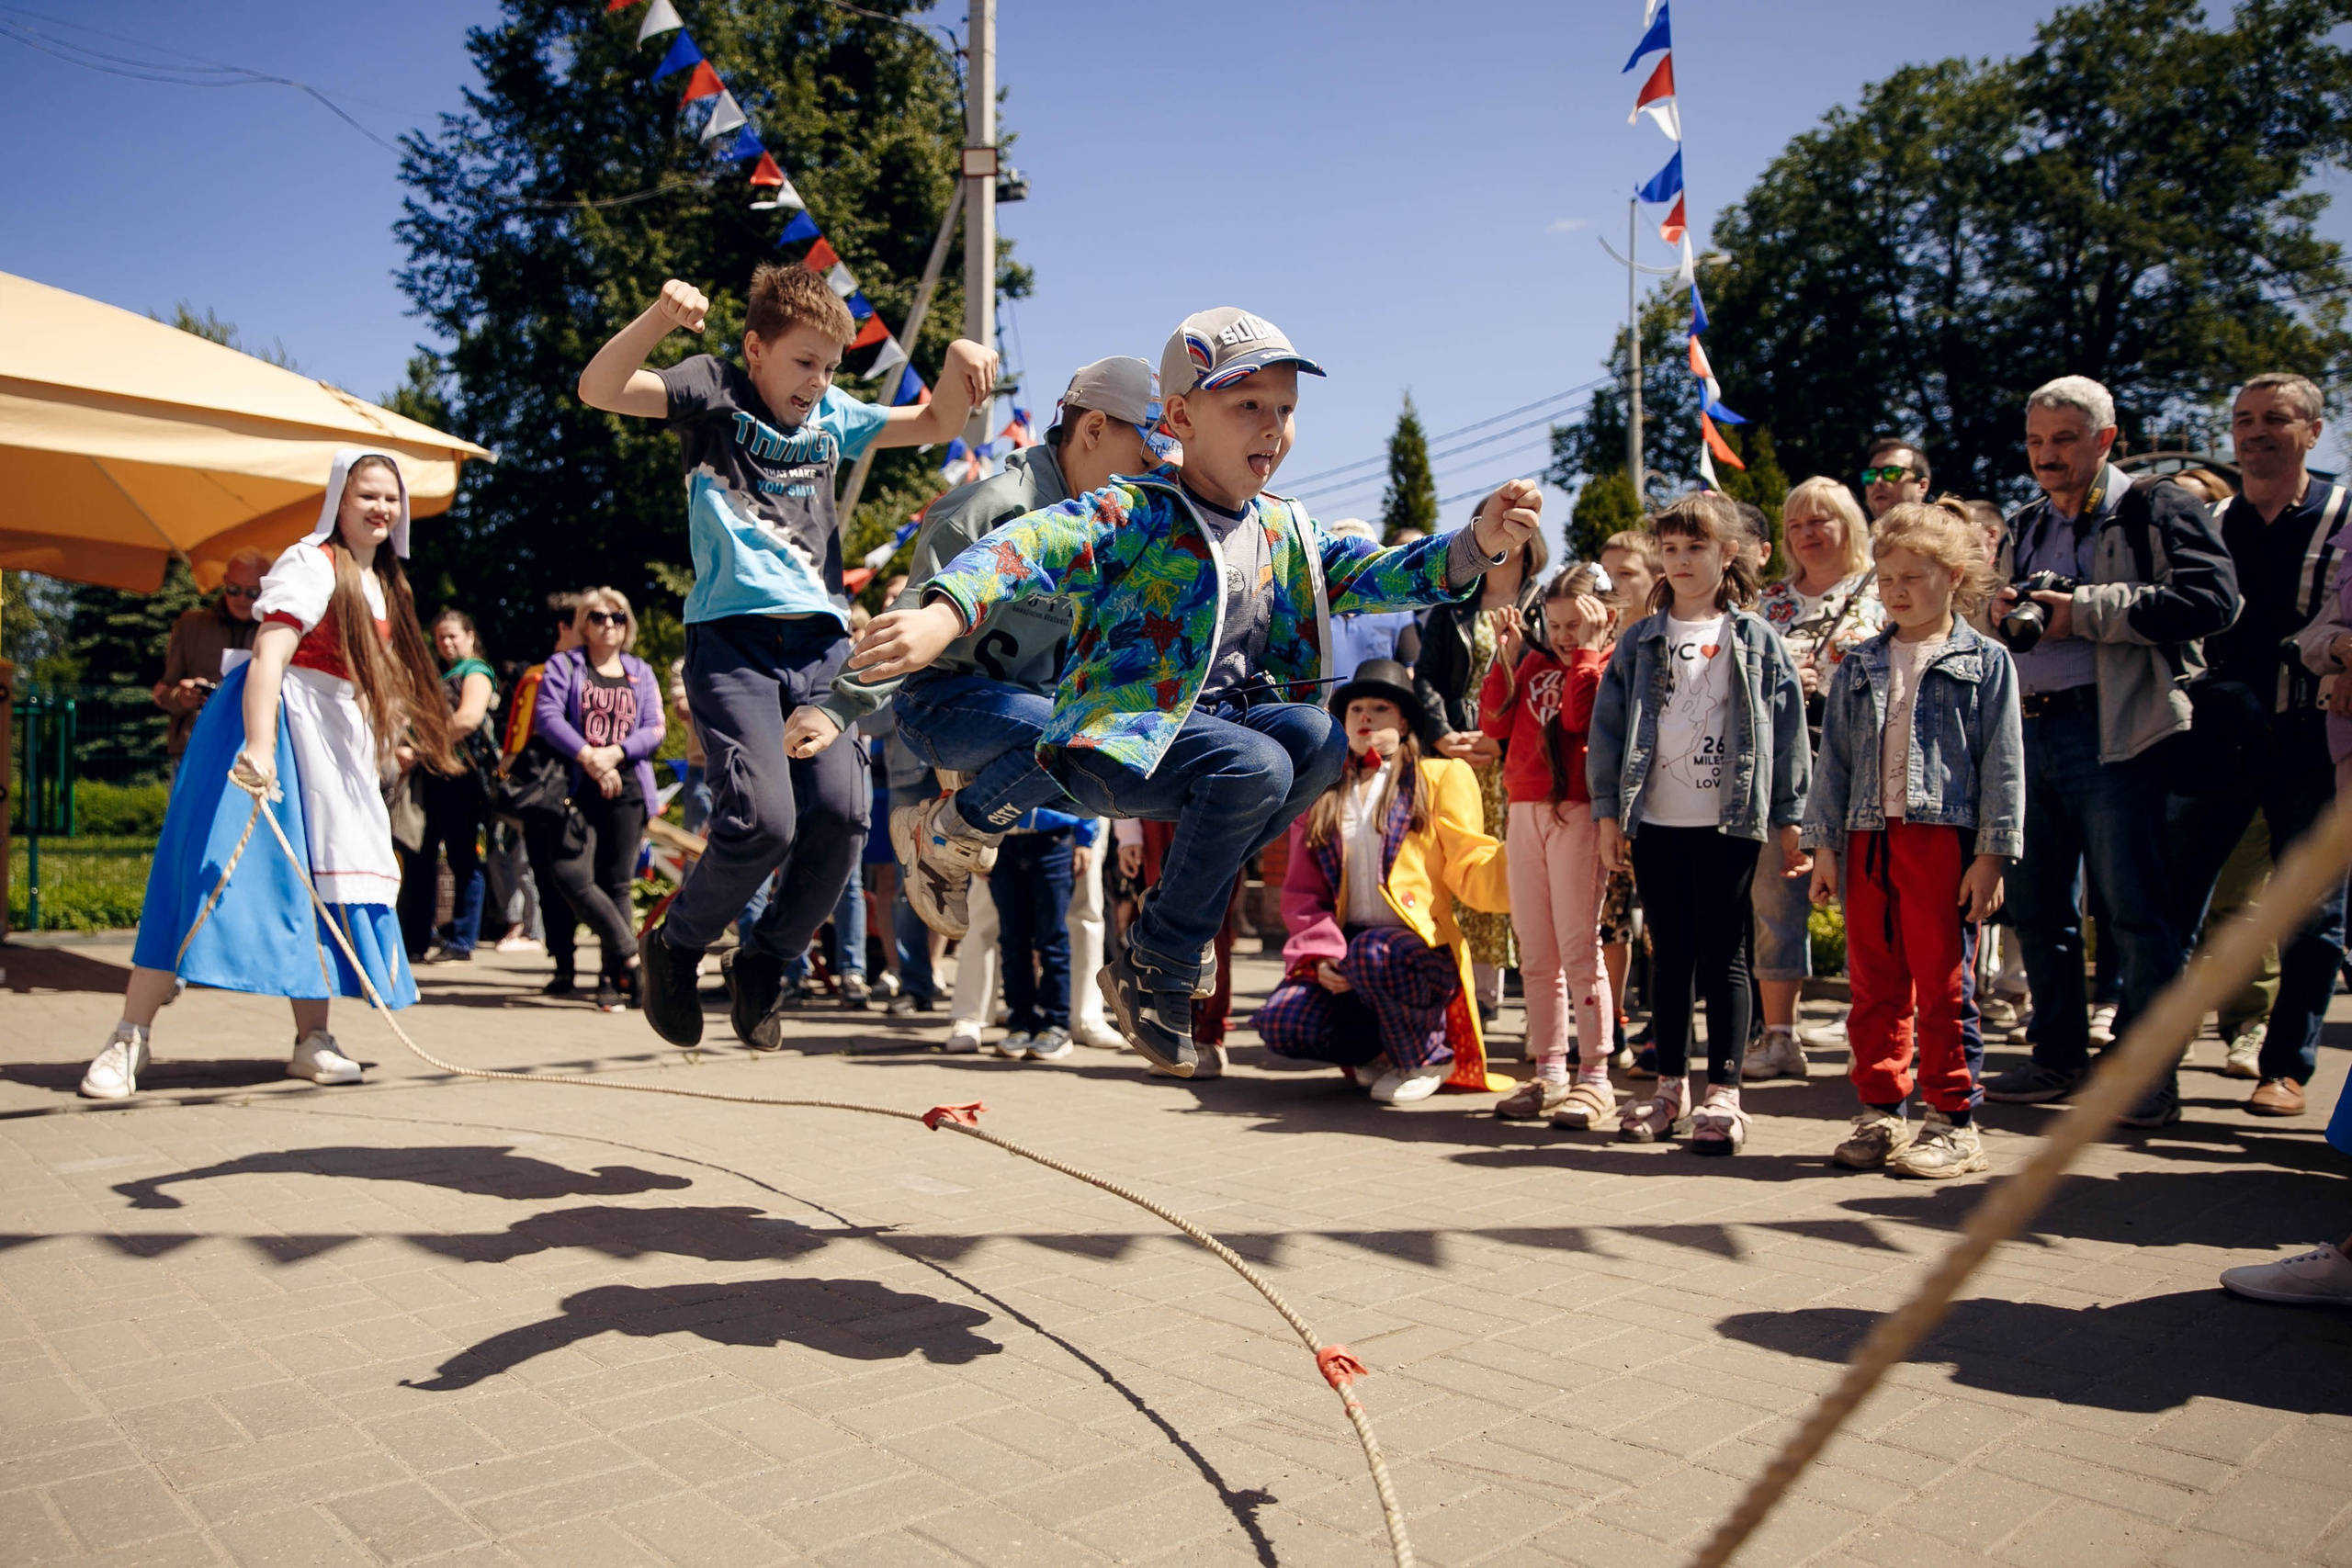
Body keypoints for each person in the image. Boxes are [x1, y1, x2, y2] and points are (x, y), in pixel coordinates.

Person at [848, 308, 1544, 1077]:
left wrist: (1476, 543)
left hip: (1207, 740)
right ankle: (1159, 957)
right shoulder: (1137, 511)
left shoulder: (1283, 528)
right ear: (1179, 416)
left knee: (1314, 739)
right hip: (1120, 739)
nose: (1272, 428)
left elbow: (1374, 572)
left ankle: (1153, 937)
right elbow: (1030, 543)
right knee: (1259, 765)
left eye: (1285, 410)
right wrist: (943, 615)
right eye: (1247, 406)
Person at [575, 267, 999, 1047]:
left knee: (840, 816)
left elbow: (939, 421)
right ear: (756, 350)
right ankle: (674, 945)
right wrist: (658, 319)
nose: (819, 381)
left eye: (832, 366)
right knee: (762, 820)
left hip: (821, 645)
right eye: (805, 362)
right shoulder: (713, 390)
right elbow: (600, 388)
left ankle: (766, 960)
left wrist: (960, 354)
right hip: (731, 641)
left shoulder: (834, 415)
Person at [82, 452, 456, 1100]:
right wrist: (258, 746)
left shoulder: (387, 582)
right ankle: (126, 1039)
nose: (380, 508)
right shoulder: (312, 561)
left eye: (390, 498)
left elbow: (374, 677)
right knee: (202, 873)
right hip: (276, 725)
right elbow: (269, 654)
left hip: (334, 741)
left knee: (318, 884)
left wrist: (385, 743)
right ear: (339, 499)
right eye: (367, 494)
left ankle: (312, 1038)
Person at [834, 356, 1169, 944]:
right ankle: (947, 830)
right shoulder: (994, 506)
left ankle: (960, 822)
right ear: (1093, 430)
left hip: (1033, 715)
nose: (1152, 485)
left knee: (1130, 754)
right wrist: (837, 708)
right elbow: (910, 614)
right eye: (1146, 462)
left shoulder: (1115, 538)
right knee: (1077, 733)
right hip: (940, 703)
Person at [1981, 376, 2239, 1126]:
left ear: (2105, 438)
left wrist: (2084, 611)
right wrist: (2000, 610)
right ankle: (2057, 1057)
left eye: (2063, 439)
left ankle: (2144, 1074)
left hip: (2122, 730)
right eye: (2035, 441)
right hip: (2029, 729)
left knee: (2136, 914)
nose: (2047, 455)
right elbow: (2005, 620)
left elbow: (2215, 600)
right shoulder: (2026, 522)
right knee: (2037, 910)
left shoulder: (2156, 504)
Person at [1807, 500, 2023, 1179]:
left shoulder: (1984, 661)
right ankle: (1880, 1110)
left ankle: (1952, 1119)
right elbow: (1834, 763)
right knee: (1873, 982)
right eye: (1887, 577)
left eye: (1914, 576)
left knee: (1944, 981)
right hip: (1869, 837)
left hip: (1943, 843)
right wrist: (1825, 848)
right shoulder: (1862, 664)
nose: (1898, 590)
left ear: (1953, 576)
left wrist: (1991, 855)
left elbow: (2003, 763)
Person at [1589, 492, 1811, 1153]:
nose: (1681, 561)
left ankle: (1726, 1092)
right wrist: (1609, 813)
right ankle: (1669, 1088)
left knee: (1727, 953)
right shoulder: (1640, 640)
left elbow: (1791, 727)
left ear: (1728, 553)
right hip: (1656, 820)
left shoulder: (1755, 638)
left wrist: (1792, 815)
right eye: (1673, 548)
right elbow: (1607, 733)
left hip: (1731, 823)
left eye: (1697, 548)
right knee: (1671, 955)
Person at [2173, 372, 2352, 1120]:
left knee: (2311, 910)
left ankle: (2284, 1067)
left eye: (2275, 418)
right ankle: (2151, 1061)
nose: (2254, 432)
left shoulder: (2344, 515)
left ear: (2312, 430)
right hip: (2217, 733)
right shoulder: (2212, 517)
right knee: (2171, 898)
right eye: (2242, 419)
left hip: (2312, 734)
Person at [1257, 660, 1511, 1101]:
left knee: (1376, 954)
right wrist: (1320, 956)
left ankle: (1428, 1058)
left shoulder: (1441, 776)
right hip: (1348, 946)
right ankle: (1377, 1052)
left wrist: (1523, 860)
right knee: (1283, 1020)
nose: (1365, 717)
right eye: (1356, 709)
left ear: (1404, 721)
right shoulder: (1322, 792)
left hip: (1417, 951)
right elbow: (1303, 894)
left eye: (1380, 708)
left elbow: (1471, 858)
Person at [1745, 477, 1887, 1081]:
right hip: (1782, 772)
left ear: (1848, 525)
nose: (1806, 532)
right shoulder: (1767, 602)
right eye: (1797, 522)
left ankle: (1873, 1034)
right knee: (1775, 906)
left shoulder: (1880, 591)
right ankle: (1780, 1037)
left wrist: (1825, 685)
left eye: (1820, 520)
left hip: (1858, 765)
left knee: (1866, 905)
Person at [1484, 564, 1621, 1127]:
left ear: (1605, 619)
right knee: (1536, 953)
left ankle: (1595, 1076)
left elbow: (1578, 718)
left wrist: (1587, 654)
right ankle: (1550, 1070)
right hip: (1524, 809)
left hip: (1578, 812)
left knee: (1577, 947)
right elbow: (1492, 720)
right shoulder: (1535, 660)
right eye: (1557, 623)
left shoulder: (1609, 665)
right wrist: (1506, 658)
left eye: (1576, 624)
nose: (1564, 635)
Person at [1413, 518, 1548, 1023]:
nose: (1503, 544)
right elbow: (1425, 677)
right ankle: (1478, 999)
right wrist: (1442, 734)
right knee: (1468, 872)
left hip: (1521, 760)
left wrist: (1504, 739)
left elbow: (1547, 682)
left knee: (1526, 874)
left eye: (1514, 536)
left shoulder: (1543, 606)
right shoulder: (1453, 609)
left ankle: (1539, 1007)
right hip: (1458, 760)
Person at [533, 588, 666, 1012]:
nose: (609, 624)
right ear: (582, 625)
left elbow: (654, 727)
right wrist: (590, 757)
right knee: (570, 875)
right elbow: (548, 717)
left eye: (618, 617)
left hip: (627, 786)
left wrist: (615, 754)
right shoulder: (564, 665)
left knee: (618, 881)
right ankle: (633, 954)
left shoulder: (639, 671)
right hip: (576, 786)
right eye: (598, 617)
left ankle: (614, 978)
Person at [1596, 530, 1663, 1067]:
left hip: (1662, 798)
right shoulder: (1598, 636)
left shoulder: (1662, 637)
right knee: (1609, 916)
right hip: (1606, 801)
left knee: (1661, 918)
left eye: (1625, 574)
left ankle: (1664, 1022)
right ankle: (1609, 1022)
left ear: (1655, 578)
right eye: (1605, 572)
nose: (1610, 584)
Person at [506, 594, 585, 992]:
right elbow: (518, 736)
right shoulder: (538, 674)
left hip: (587, 787)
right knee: (548, 875)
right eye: (585, 621)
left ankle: (605, 966)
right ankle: (564, 965)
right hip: (547, 791)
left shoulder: (605, 669)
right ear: (565, 627)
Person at [989, 805, 1097, 1061]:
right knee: (1012, 939)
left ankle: (1056, 1024)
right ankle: (1021, 1023)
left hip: (1054, 839)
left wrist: (1085, 836)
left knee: (1053, 938)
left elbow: (1084, 780)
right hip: (1000, 842)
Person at [153, 547, 267, 781]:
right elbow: (164, 692)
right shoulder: (191, 625)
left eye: (252, 592)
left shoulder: (276, 632)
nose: (242, 599)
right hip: (195, 751)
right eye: (234, 590)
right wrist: (183, 696)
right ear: (224, 582)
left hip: (252, 753)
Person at [1327, 520, 1424, 678]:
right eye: (1341, 558)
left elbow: (1411, 672)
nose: (1352, 567)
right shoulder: (1308, 613)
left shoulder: (1398, 610)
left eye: (1361, 558)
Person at [1861, 438, 1932, 520]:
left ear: (1922, 486)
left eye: (1892, 473)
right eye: (1871, 474)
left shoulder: (1944, 531)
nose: (1877, 481)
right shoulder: (1852, 532)